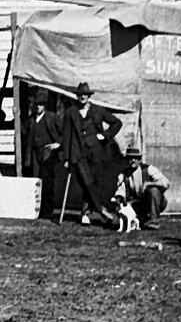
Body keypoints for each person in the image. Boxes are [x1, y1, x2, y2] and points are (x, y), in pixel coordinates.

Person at [57, 81, 119, 225]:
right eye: (80, 95)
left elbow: (116, 123)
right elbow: (66, 136)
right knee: (86, 182)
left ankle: (87, 213)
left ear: (89, 96)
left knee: (93, 183)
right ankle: (100, 211)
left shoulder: (98, 110)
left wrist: (105, 136)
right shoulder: (70, 112)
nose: (82, 97)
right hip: (78, 154)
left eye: (85, 95)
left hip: (96, 153)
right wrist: (66, 157)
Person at [23, 95, 61, 216]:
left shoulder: (51, 117)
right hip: (34, 153)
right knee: (35, 180)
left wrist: (58, 143)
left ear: (44, 106)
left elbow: (63, 132)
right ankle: (36, 209)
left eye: (40, 105)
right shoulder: (31, 119)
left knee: (48, 182)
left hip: (48, 153)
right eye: (36, 104)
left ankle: (47, 210)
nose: (37, 107)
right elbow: (24, 132)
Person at [116, 146, 170, 230]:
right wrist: (119, 200)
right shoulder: (123, 175)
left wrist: (149, 184)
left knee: (154, 190)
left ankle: (154, 221)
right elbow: (120, 191)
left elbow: (166, 183)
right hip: (137, 204)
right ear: (127, 160)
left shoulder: (149, 169)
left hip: (156, 201)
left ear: (140, 160)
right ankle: (141, 219)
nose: (133, 160)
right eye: (130, 158)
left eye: (136, 158)